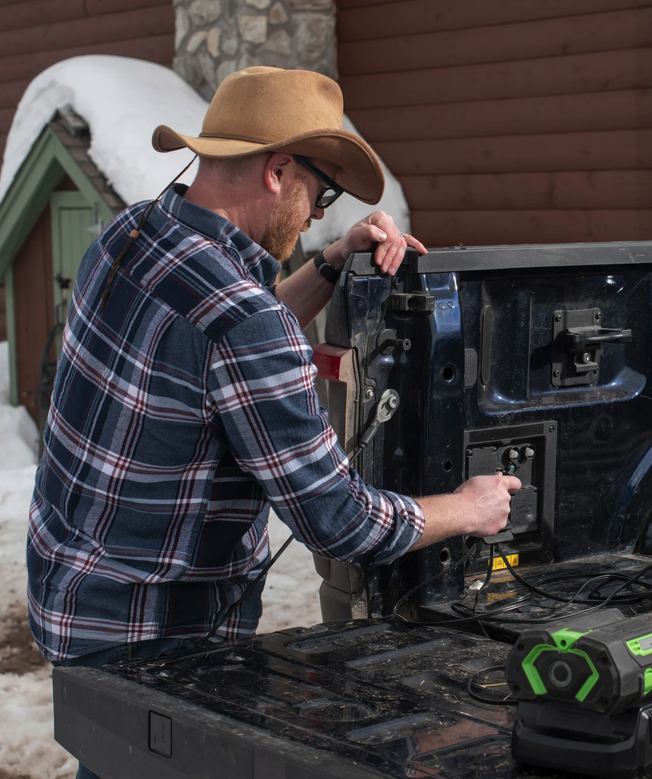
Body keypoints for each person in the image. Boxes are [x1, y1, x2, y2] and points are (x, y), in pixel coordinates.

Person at [27, 66, 518, 756]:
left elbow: (222, 343)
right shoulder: (244, 322)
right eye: (321, 195)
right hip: (159, 638)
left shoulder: (132, 234)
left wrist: (332, 262)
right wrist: (467, 508)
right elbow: (338, 521)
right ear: (278, 171)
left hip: (74, 596)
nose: (318, 216)